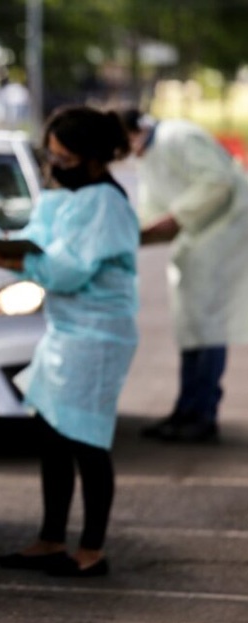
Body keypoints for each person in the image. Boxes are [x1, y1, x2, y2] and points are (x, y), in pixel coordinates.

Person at [0, 105, 139, 577]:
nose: (55, 165)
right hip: (65, 329)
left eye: (64, 158)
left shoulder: (105, 201)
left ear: (93, 158)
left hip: (97, 334)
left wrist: (9, 262)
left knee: (87, 438)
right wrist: (4, 243)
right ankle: (50, 539)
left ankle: (91, 551)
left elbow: (68, 271)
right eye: (51, 155)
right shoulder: (65, 193)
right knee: (51, 434)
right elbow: (38, 238)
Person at [116, 108, 248, 443]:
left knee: (208, 327)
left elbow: (218, 181)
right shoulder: (149, 155)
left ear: (133, 132)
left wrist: (175, 218)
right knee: (192, 327)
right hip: (197, 241)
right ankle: (187, 409)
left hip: (223, 235)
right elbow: (153, 212)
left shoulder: (177, 136)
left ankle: (202, 413)